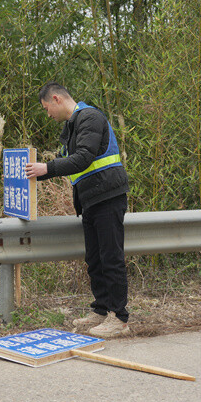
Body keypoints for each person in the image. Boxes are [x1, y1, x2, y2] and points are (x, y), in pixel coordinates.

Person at [25, 82, 131, 338]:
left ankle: (119, 318)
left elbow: (83, 157)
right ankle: (101, 310)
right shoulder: (71, 126)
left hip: (107, 196)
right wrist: (33, 174)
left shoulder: (91, 117)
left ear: (56, 99)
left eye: (46, 108)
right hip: (91, 199)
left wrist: (46, 169)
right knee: (94, 259)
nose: (47, 114)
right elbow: (68, 161)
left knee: (111, 258)